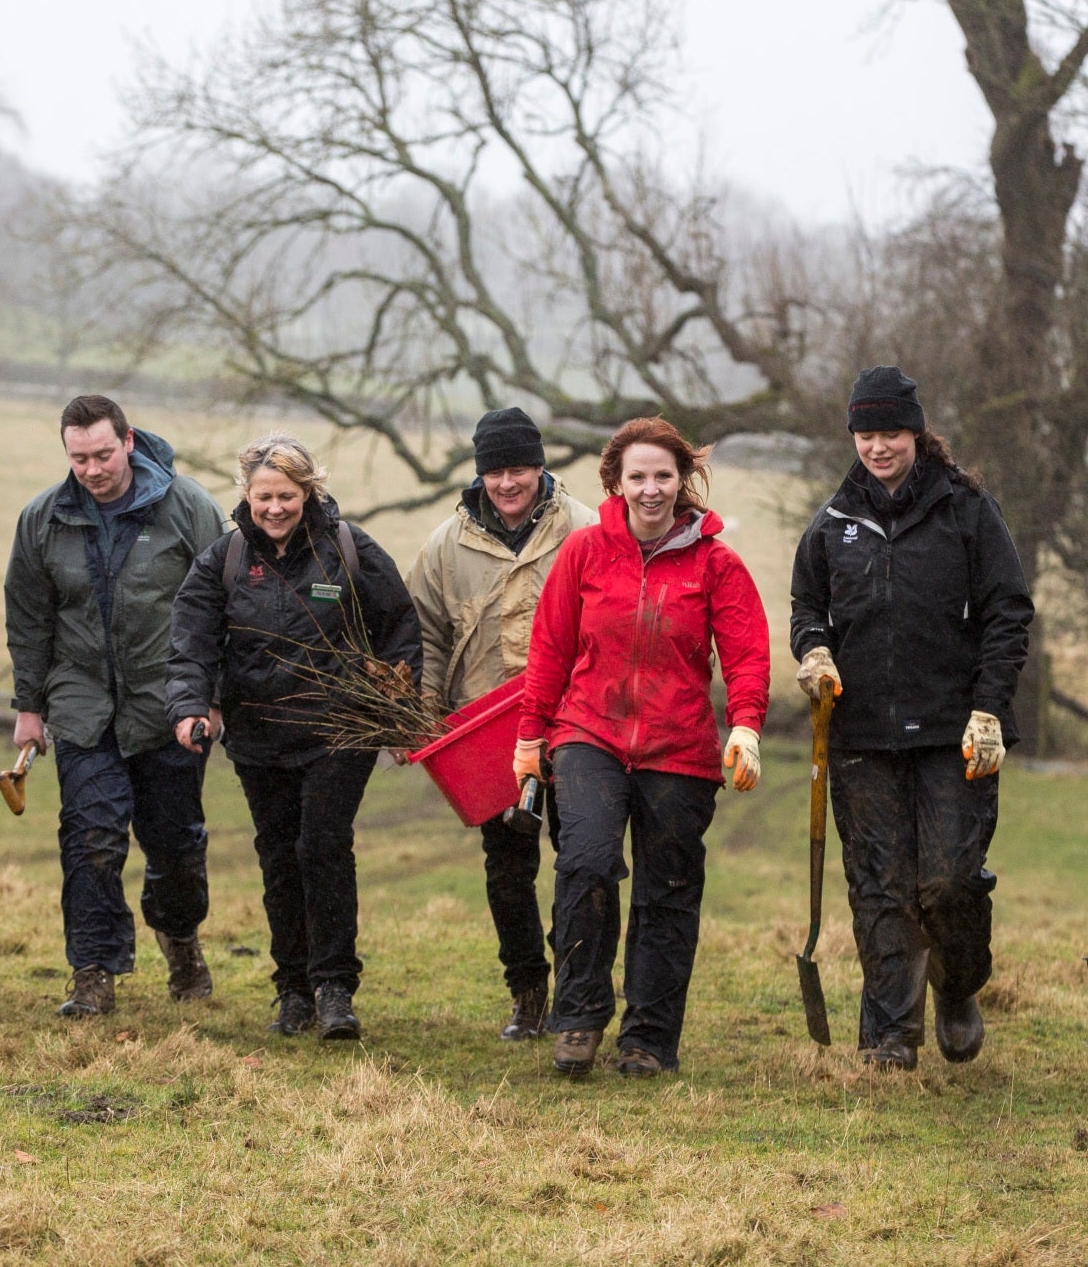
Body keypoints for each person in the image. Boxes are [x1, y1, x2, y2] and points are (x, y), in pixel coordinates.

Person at [788, 366, 1035, 1070]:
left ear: (917, 433)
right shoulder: (833, 523)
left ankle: (957, 986)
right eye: (865, 433)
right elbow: (807, 608)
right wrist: (815, 652)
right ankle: (891, 1038)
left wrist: (989, 705)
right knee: (879, 886)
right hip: (862, 735)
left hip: (956, 732)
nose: (878, 446)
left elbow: (1007, 611)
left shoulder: (966, 509)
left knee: (949, 880)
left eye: (891, 432)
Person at [516, 417, 769, 1078]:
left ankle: (649, 1039)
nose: (651, 489)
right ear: (616, 482)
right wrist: (528, 735)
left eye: (663, 475)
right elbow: (550, 648)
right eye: (638, 477)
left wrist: (744, 725)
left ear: (683, 480)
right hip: (588, 734)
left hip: (679, 749)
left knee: (668, 891)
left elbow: (746, 654)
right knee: (587, 865)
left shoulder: (717, 564)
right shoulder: (584, 553)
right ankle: (577, 1020)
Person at [168, 434, 418, 1041]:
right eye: (264, 496)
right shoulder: (222, 560)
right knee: (278, 854)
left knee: (322, 846)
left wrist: (398, 717)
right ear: (246, 495)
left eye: (287, 495)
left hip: (340, 729)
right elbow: (191, 642)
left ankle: (335, 989)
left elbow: (400, 631)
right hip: (259, 735)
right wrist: (189, 705)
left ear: (309, 492)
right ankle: (292, 989)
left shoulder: (349, 550)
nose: (275, 507)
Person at [6, 395, 228, 1019]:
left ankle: (179, 937)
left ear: (128, 442)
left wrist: (211, 699)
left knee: (175, 844)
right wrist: (30, 706)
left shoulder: (188, 508)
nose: (92, 469)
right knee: (92, 839)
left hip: (170, 705)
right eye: (78, 458)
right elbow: (28, 618)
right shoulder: (43, 519)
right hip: (82, 704)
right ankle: (93, 973)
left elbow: (223, 608)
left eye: (103, 454)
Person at [405, 406, 577, 1041]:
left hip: (573, 726)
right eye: (497, 471)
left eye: (521, 469)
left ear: (540, 467)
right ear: (480, 475)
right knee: (507, 869)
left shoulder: (583, 530)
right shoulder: (444, 547)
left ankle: (577, 992)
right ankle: (527, 993)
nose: (509, 483)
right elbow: (423, 636)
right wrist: (423, 720)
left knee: (580, 860)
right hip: (486, 736)